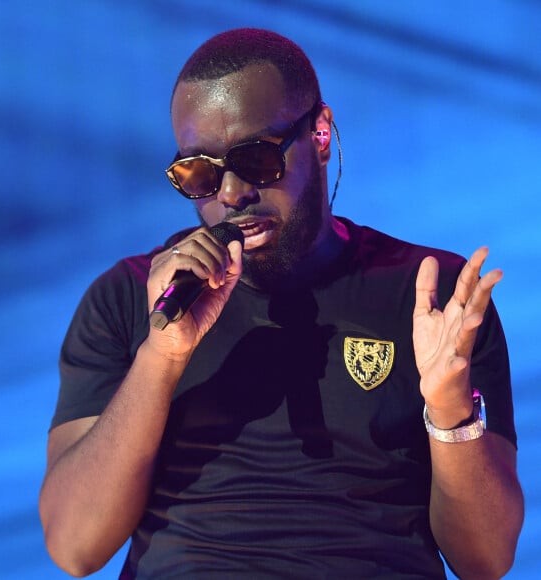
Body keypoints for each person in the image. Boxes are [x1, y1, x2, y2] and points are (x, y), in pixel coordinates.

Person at [39, 28, 524, 579]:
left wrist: (449, 409)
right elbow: (74, 547)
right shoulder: (133, 297)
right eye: (199, 172)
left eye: (256, 159)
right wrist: (162, 357)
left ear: (320, 134)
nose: (231, 193)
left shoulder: (429, 294)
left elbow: (484, 560)